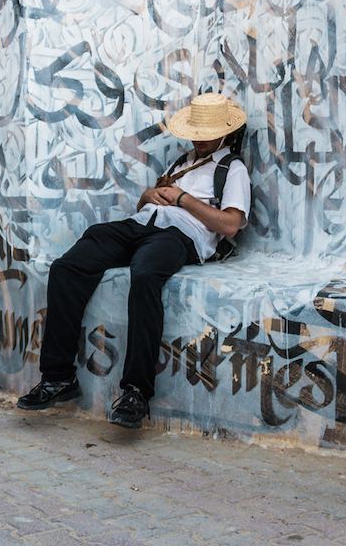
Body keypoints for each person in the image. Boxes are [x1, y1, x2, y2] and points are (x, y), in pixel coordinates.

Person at [17, 93, 251, 428]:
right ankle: (58, 377)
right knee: (69, 265)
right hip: (142, 224)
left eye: (207, 134)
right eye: (196, 134)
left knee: (145, 273)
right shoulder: (181, 162)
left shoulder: (232, 169)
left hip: (181, 236)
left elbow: (230, 225)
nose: (200, 141)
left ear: (225, 133)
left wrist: (183, 199)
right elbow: (150, 203)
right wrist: (148, 196)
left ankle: (136, 391)